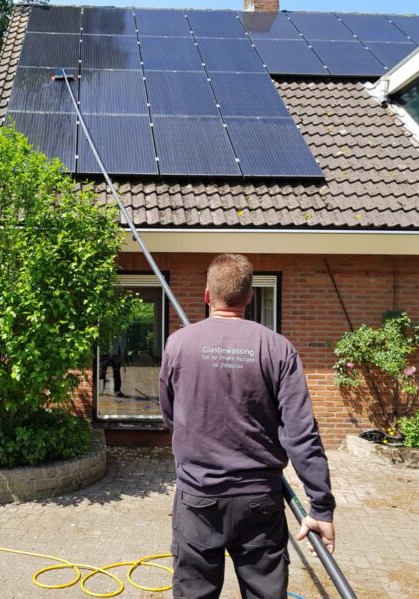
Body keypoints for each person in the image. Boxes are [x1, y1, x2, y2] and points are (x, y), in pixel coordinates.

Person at [159, 254, 336, 599]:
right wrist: (321, 507)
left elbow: (170, 414)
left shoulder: (178, 344)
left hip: (198, 498)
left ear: (207, 295)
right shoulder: (278, 348)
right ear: (250, 297)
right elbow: (301, 434)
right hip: (260, 500)